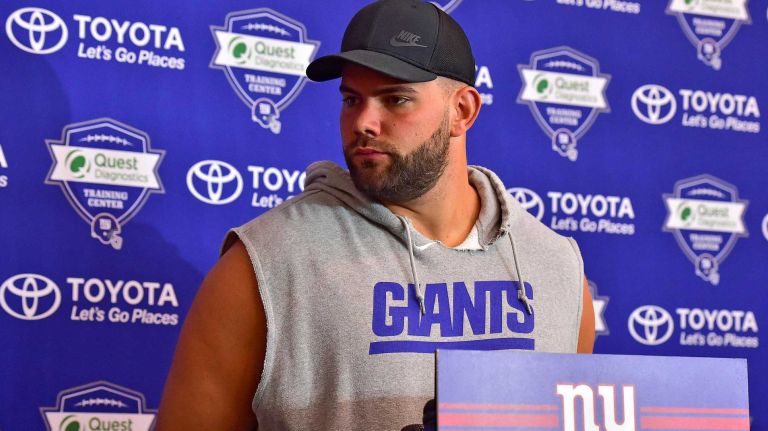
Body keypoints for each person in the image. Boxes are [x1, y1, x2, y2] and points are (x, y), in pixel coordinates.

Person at [157, 0, 595, 429]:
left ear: (462, 111)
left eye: (395, 99)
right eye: (351, 99)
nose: (364, 121)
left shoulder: (555, 266)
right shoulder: (264, 265)